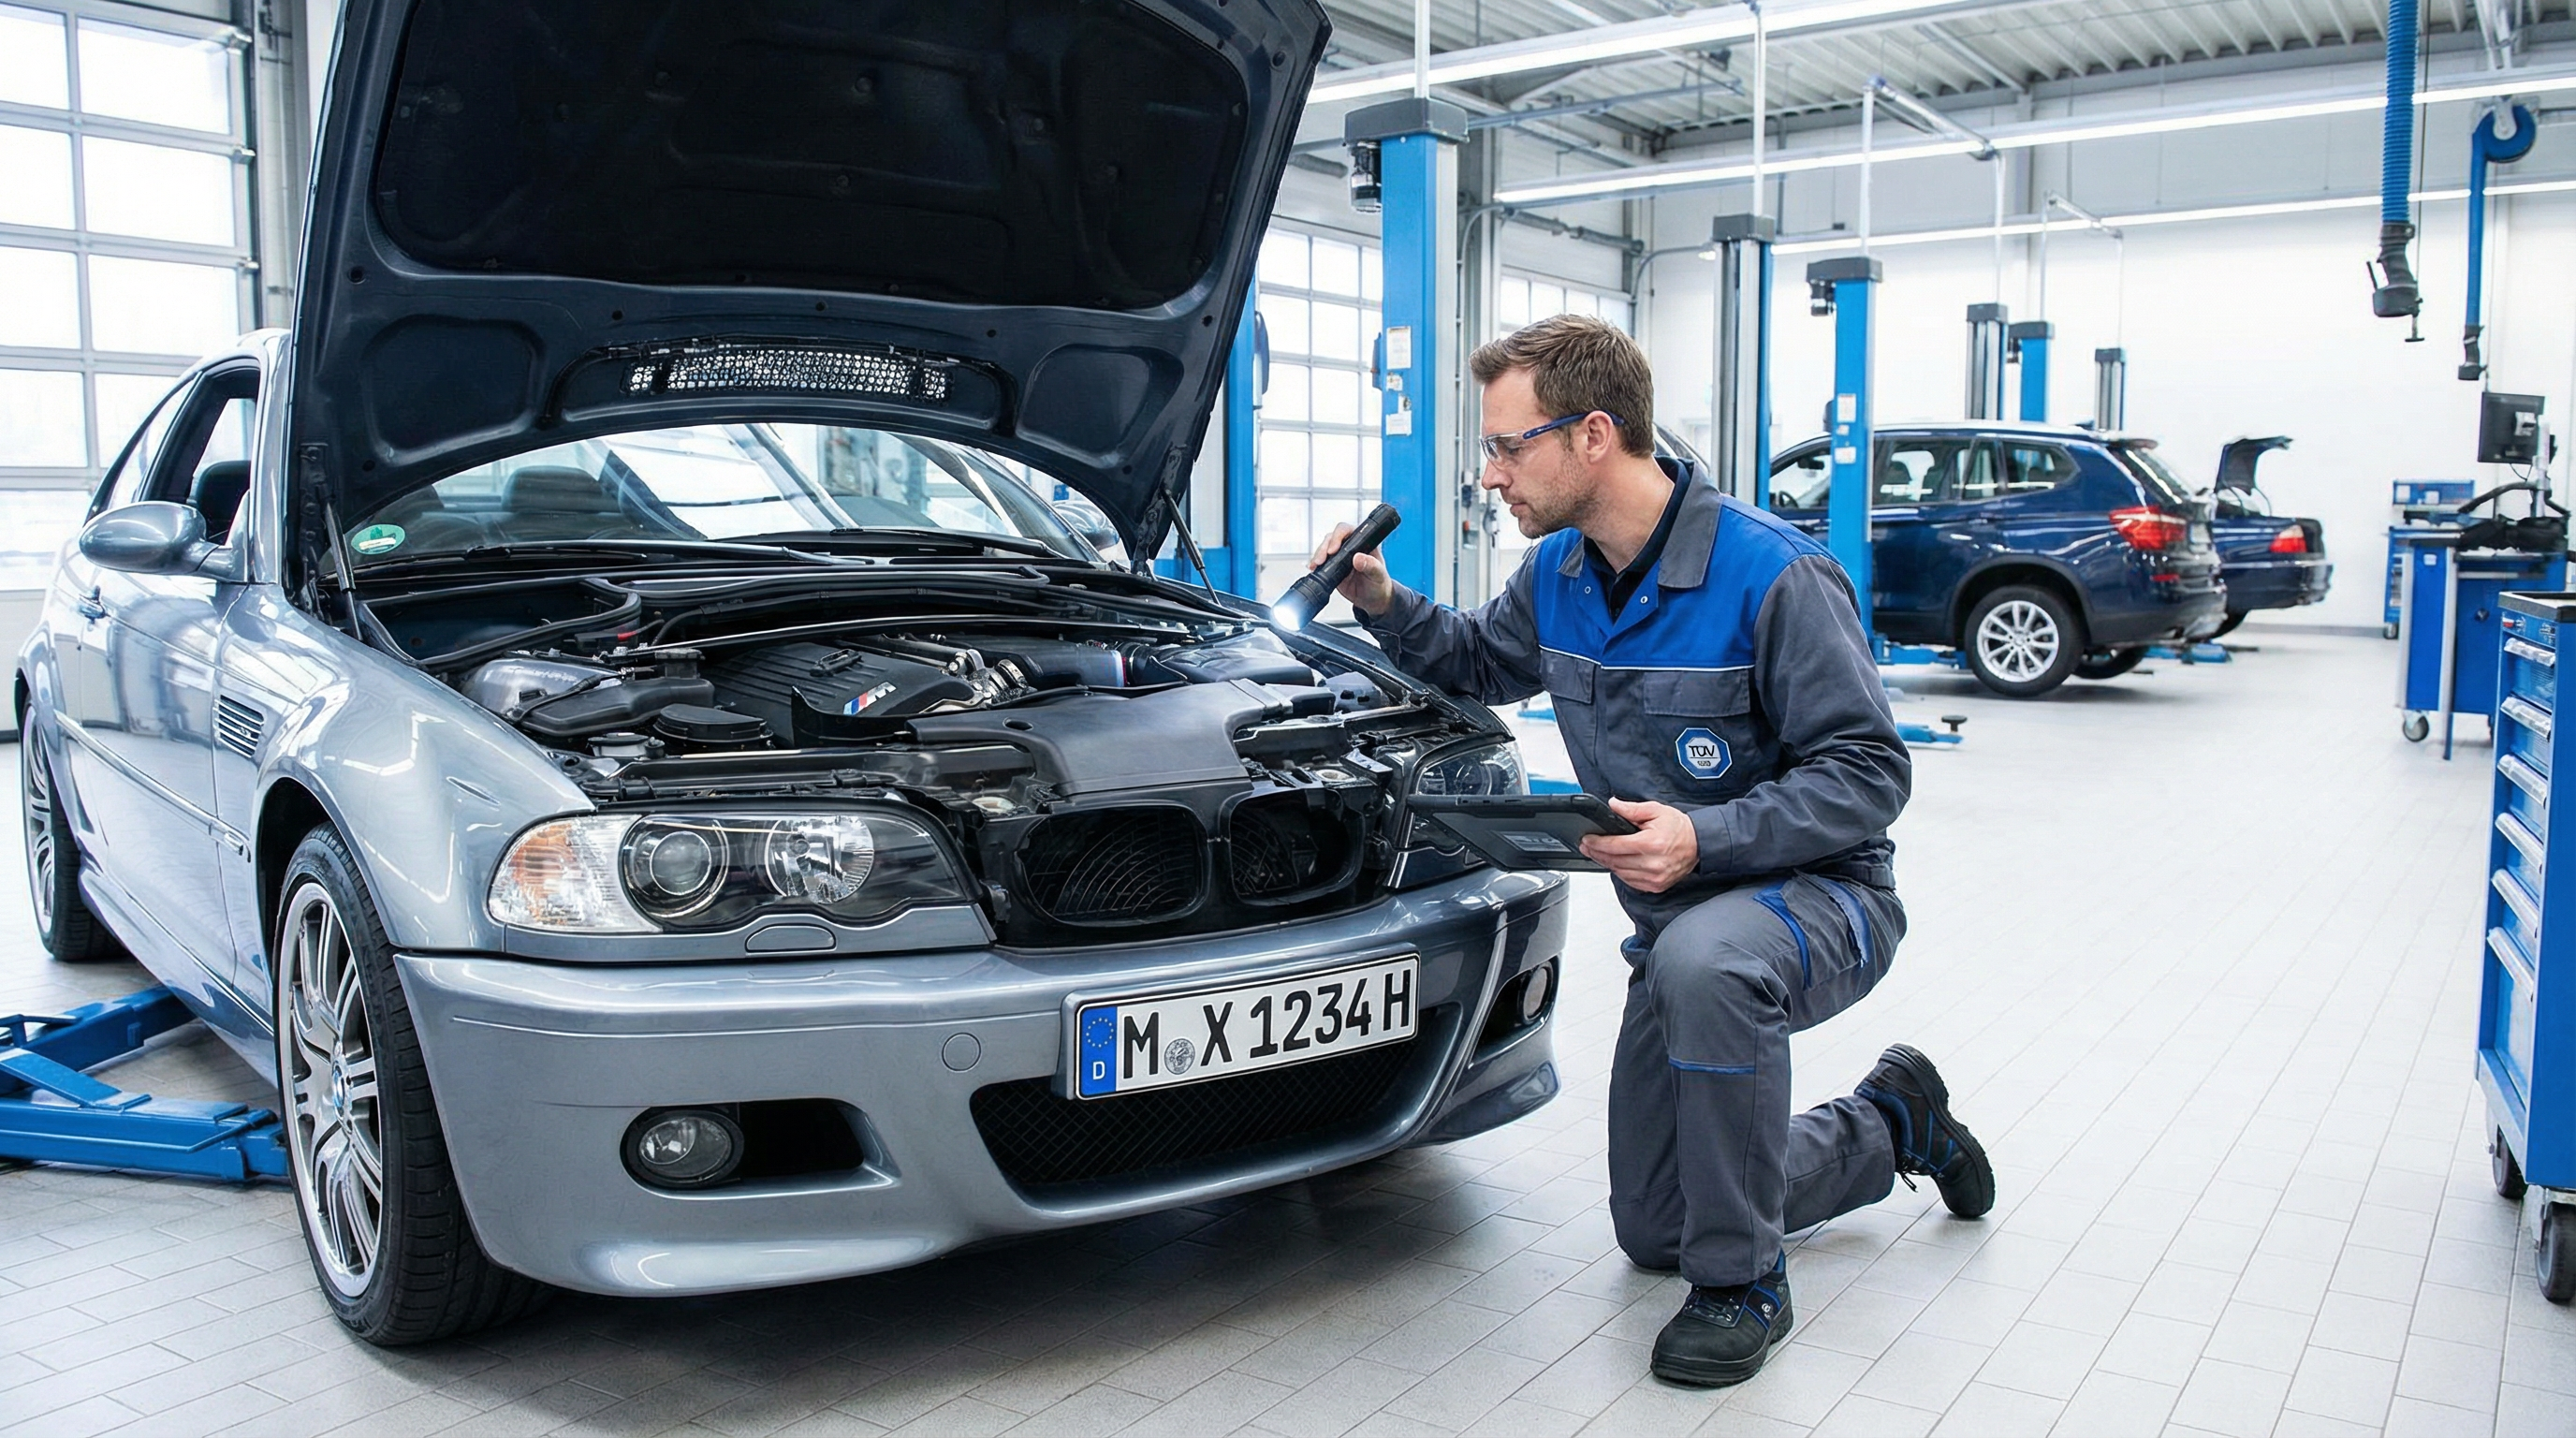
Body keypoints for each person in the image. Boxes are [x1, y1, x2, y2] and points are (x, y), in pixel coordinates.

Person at [1309, 315, 1995, 1388]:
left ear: (1592, 436)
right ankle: (1889, 1122)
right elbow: (1483, 663)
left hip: (1823, 894)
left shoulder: (1774, 576)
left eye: (1505, 445)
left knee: (1705, 966)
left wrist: (1706, 835)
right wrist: (1382, 604)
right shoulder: (1563, 574)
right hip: (1681, 921)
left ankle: (1745, 1286)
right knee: (1657, 1225)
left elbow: (1869, 772)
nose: (1490, 475)